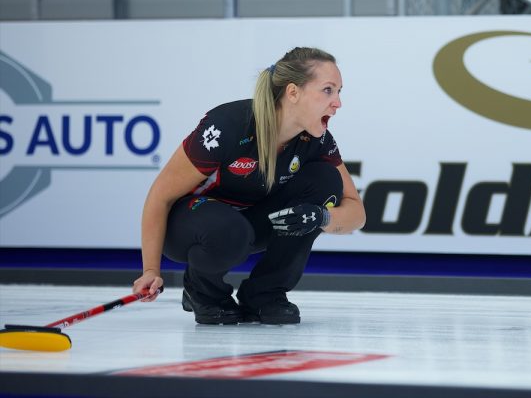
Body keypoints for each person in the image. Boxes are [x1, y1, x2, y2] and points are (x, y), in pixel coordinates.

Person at [131, 47, 365, 325]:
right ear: (293, 93)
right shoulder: (228, 126)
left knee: (325, 179)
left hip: (246, 224)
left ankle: (264, 294)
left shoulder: (318, 139)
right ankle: (202, 291)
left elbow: (356, 214)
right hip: (189, 226)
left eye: (339, 91)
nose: (337, 103)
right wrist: (150, 269)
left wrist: (321, 216)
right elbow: (160, 197)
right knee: (230, 229)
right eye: (328, 90)